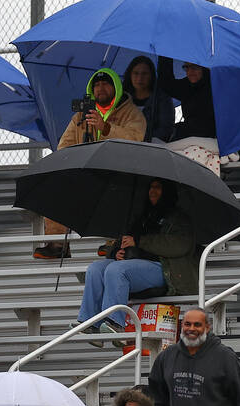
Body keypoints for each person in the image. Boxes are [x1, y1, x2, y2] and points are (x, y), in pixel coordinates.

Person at [32, 68, 146, 259]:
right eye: (97, 85)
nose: (101, 88)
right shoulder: (81, 116)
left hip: (119, 172)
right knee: (54, 184)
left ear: (116, 87)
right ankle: (58, 243)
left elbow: (136, 138)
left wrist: (106, 127)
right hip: (85, 173)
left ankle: (115, 242)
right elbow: (64, 146)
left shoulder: (132, 113)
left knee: (119, 187)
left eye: (106, 84)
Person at [75, 179, 195, 338]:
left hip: (165, 269)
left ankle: (116, 323)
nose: (152, 191)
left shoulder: (179, 218)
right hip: (135, 266)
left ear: (167, 191)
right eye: (151, 187)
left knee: (116, 269)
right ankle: (90, 323)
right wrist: (116, 252)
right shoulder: (143, 215)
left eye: (158, 188)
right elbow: (124, 240)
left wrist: (139, 241)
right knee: (96, 268)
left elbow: (180, 245)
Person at [157, 57, 215, 141]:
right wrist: (165, 52)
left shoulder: (216, 86)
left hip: (213, 140)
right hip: (188, 139)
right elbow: (166, 83)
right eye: (186, 67)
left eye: (194, 67)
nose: (190, 71)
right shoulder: (186, 86)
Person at [124, 56, 175, 143]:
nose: (140, 78)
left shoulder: (163, 99)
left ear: (151, 76)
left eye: (144, 74)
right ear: (130, 75)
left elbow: (165, 130)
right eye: (136, 73)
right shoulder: (123, 98)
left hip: (153, 147)